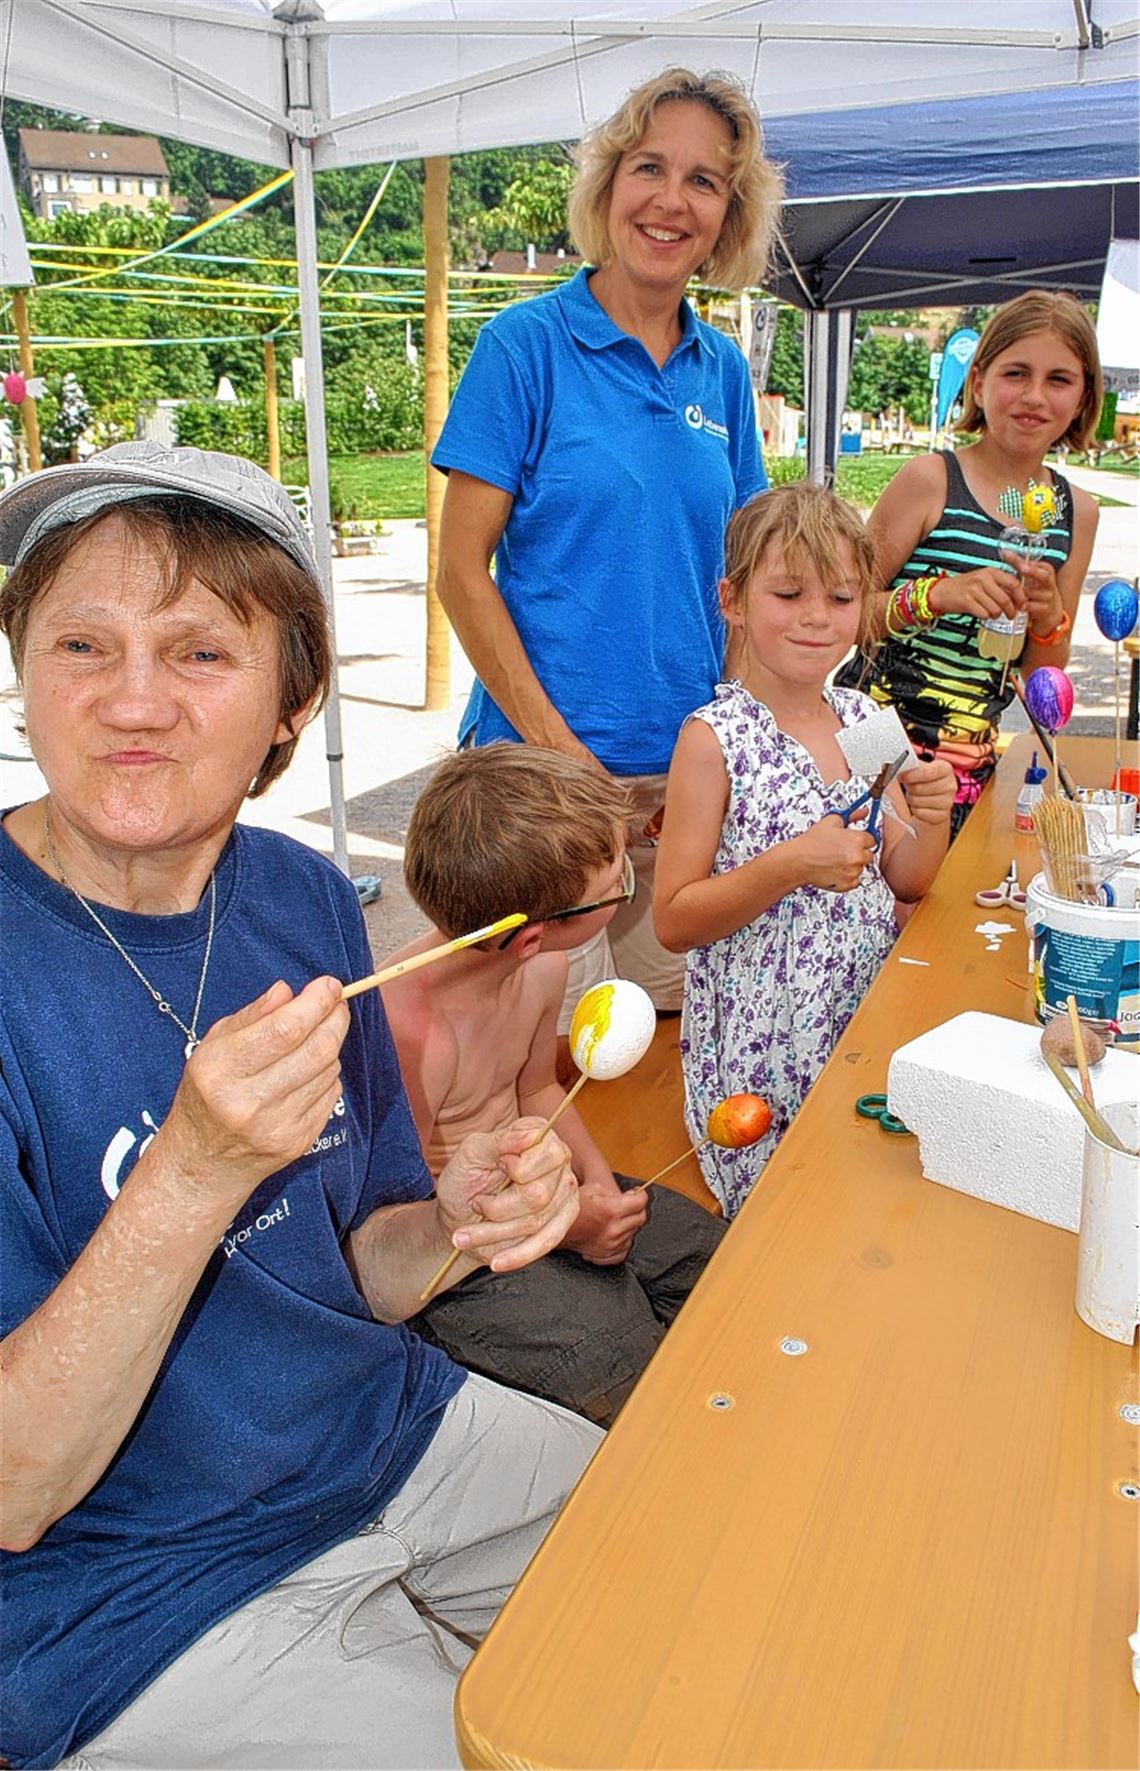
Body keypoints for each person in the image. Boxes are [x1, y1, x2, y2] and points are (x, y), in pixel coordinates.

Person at [0, 442, 602, 1771]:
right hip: (130, 1594)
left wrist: (455, 1216)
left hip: (385, 1431)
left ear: (290, 702)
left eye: (201, 653)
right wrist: (190, 1168)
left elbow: (360, 1272)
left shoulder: (309, 896)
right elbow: (15, 1489)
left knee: (706, 1581)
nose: (132, 703)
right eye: (81, 644)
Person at [431, 67, 784, 1025]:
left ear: (729, 215)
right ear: (606, 185)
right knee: (530, 1070)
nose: (672, 200)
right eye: (649, 167)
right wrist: (568, 763)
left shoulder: (721, 370)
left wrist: (731, 751)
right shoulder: (525, 346)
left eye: (705, 181)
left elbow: (744, 585)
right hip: (543, 790)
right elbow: (461, 575)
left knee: (659, 1046)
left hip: (679, 792)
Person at [381, 744, 726, 1428]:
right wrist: (569, 1228)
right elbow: (409, 1203)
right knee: (623, 1359)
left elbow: (539, 1091)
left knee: (712, 1259)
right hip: (462, 1251)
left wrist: (597, 1188)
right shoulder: (413, 1026)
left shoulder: (541, 968)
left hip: (541, 1188)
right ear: (531, 935)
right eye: (620, 882)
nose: (631, 878)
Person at [653, 484, 956, 1220]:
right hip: (764, 1048)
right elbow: (673, 918)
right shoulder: (713, 739)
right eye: (788, 593)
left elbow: (906, 877)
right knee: (789, 1214)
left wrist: (936, 814)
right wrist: (792, 862)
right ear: (732, 600)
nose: (817, 617)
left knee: (866, 1195)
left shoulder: (865, 718)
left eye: (842, 597)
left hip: (859, 1016)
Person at [837, 290, 1101, 834]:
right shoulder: (929, 480)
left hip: (967, 761)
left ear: (1083, 398)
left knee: (942, 909)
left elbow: (1039, 673)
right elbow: (840, 614)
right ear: (978, 382)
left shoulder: (1078, 513)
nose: (1033, 396)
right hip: (867, 742)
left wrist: (1048, 616)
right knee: (872, 899)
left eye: (1059, 379)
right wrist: (938, 595)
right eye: (1016, 373)